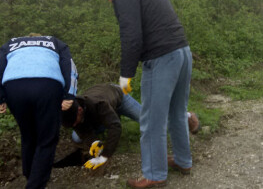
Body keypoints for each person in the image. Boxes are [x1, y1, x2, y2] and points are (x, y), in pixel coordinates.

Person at [98, 0, 194, 188]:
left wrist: (126, 74)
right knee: (178, 111)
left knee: (151, 121)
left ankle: (155, 174)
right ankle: (183, 161)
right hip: (183, 52)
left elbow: (131, 35)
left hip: (161, 58)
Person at [60, 83, 200, 170]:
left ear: (80, 111)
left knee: (149, 121)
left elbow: (116, 127)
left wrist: (105, 156)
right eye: (71, 124)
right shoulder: (71, 111)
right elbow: (82, 130)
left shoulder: (98, 104)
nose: (74, 125)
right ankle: (110, 120)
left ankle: (186, 116)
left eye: (75, 121)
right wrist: (94, 142)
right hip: (105, 108)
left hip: (119, 97)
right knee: (77, 137)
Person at [0, 33, 78, 189]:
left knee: (28, 135)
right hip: (47, 84)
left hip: (14, 87)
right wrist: (69, 94)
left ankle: (30, 175)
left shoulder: (11, 44)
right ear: (41, 37)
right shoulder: (55, 42)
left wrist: (1, 98)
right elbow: (69, 66)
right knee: (47, 139)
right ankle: (34, 185)